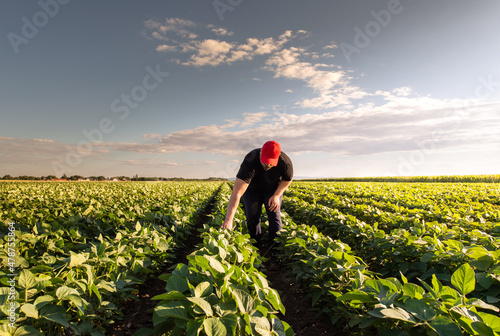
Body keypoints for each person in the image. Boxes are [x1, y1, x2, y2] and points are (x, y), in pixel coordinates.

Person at [220, 141, 293, 251]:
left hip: (272, 191)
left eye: (271, 162)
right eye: (265, 161)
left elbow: (287, 180)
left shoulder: (285, 162)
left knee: (275, 218)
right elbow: (237, 193)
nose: (268, 164)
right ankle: (256, 246)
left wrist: (277, 195)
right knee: (252, 218)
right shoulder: (250, 160)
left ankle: (275, 250)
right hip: (252, 190)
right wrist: (229, 220)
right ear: (260, 154)